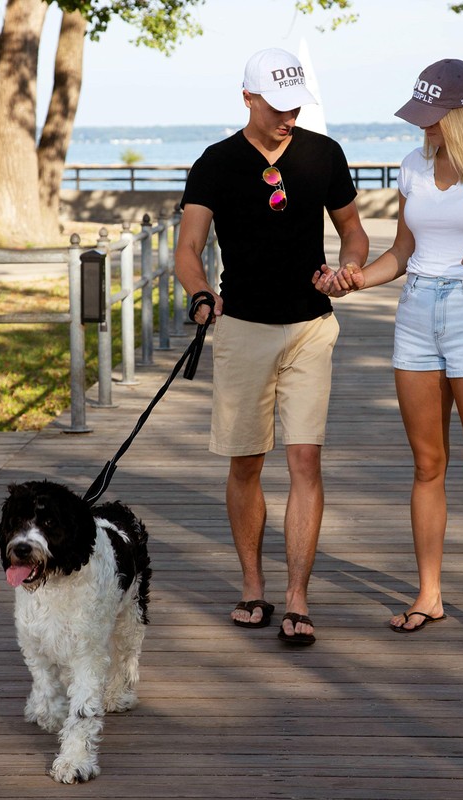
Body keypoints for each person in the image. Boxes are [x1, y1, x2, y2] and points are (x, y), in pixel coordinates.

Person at [314, 59, 463, 644]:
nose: (423, 125)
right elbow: (402, 252)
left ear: (462, 113)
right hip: (416, 314)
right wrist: (355, 279)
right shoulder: (413, 165)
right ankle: (429, 594)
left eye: (432, 115)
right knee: (427, 465)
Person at [174, 47, 369, 646]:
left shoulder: (323, 153)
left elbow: (353, 230)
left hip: (311, 326)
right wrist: (201, 292)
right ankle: (253, 585)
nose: (289, 117)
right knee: (246, 462)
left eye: (296, 106)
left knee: (305, 460)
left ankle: (298, 597)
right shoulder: (215, 163)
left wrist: (349, 268)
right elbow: (188, 248)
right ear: (248, 98)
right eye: (278, 106)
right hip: (242, 328)